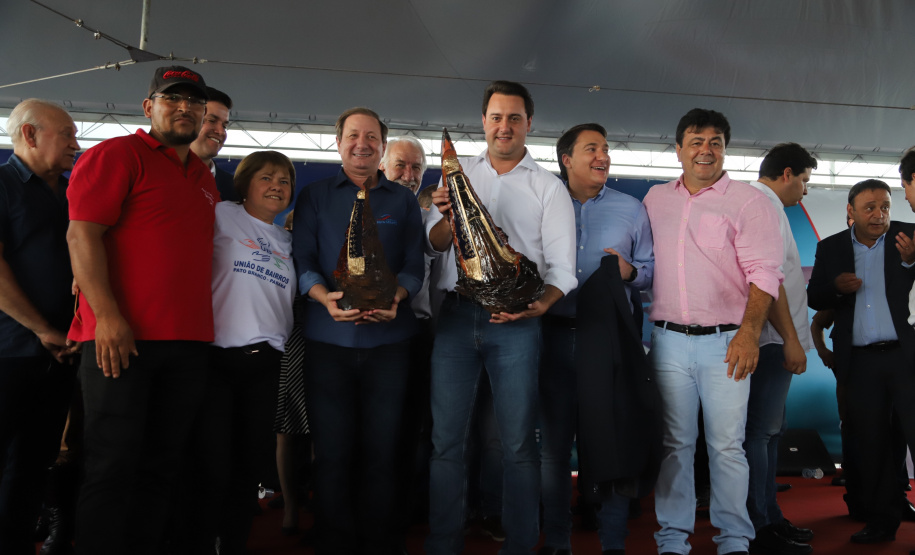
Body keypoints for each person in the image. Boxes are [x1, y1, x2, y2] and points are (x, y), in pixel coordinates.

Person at [66, 65, 218, 555]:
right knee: (112, 467)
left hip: (189, 344)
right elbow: (81, 234)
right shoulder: (117, 154)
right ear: (148, 106)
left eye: (194, 103)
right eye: (172, 99)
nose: (184, 109)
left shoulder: (202, 178)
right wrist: (105, 316)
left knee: (160, 468)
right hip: (120, 341)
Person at [425, 80, 577, 554]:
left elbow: (563, 269)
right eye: (496, 117)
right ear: (484, 122)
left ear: (529, 123)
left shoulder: (548, 187)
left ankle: (519, 546)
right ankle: (443, 545)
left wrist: (541, 305)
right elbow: (433, 246)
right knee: (446, 443)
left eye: (514, 117)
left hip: (518, 323)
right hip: (454, 318)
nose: (504, 126)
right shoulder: (456, 177)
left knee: (517, 446)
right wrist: (446, 219)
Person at [643, 108, 783, 555]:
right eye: (696, 140)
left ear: (725, 149)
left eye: (716, 141)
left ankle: (734, 539)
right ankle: (672, 539)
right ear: (679, 148)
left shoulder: (749, 201)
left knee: (727, 446)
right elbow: (647, 268)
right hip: (665, 341)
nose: (706, 149)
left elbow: (766, 273)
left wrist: (748, 334)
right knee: (674, 446)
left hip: (728, 342)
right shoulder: (654, 200)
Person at [291, 107, 424, 554]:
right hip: (328, 343)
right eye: (353, 135)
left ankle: (381, 539)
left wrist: (397, 298)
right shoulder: (314, 196)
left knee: (383, 451)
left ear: (382, 147)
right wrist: (321, 296)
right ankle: (334, 539)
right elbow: (303, 260)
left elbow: (413, 264)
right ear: (338, 141)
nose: (362, 143)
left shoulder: (402, 200)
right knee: (331, 452)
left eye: (371, 136)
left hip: (389, 344)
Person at [539, 123, 655, 555]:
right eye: (592, 149)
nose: (603, 156)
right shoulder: (543, 202)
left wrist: (630, 272)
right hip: (550, 336)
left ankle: (613, 544)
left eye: (606, 148)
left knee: (611, 444)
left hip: (607, 342)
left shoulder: (631, 208)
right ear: (566, 159)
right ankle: (556, 543)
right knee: (552, 451)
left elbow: (651, 269)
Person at [196, 150, 297, 554]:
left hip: (267, 363)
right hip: (216, 359)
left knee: (247, 466)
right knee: (209, 464)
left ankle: (233, 544)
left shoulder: (288, 240)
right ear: (245, 183)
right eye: (267, 178)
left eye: (285, 181)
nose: (277, 186)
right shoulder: (221, 215)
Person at [807, 179, 915, 546]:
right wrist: (836, 287)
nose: (879, 214)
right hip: (861, 363)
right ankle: (882, 521)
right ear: (851, 211)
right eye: (869, 207)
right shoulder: (832, 247)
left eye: (885, 206)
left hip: (906, 358)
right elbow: (814, 296)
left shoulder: (909, 238)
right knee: (873, 446)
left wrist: (912, 261)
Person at [0, 99, 80, 555]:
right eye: (66, 134)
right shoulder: (3, 185)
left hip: (62, 354)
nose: (76, 143)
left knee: (33, 467)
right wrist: (41, 328)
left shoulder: (74, 192)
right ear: (29, 135)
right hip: (10, 351)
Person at [744, 143, 817, 555]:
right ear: (787, 173)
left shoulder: (769, 207)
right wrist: (790, 340)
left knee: (769, 434)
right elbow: (766, 283)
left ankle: (769, 516)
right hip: (771, 341)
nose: (805, 191)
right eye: (804, 181)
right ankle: (759, 524)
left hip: (775, 339)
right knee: (760, 434)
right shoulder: (763, 207)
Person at [190, 86, 236, 201]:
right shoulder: (156, 174)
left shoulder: (234, 189)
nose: (220, 131)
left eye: (224, 126)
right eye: (211, 121)